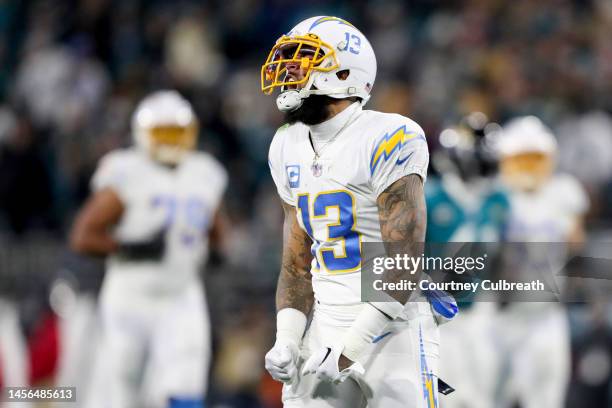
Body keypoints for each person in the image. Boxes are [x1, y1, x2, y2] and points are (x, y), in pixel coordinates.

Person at [261, 16, 443, 408]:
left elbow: (406, 261)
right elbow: (295, 262)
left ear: (344, 70)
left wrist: (350, 348)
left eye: (302, 59)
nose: (287, 70)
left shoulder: (389, 134)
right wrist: (289, 338)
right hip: (325, 321)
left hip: (392, 329)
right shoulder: (284, 143)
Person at [70, 90, 227, 408]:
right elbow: (82, 236)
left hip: (181, 291)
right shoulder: (126, 171)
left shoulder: (204, 172)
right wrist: (128, 247)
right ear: (143, 135)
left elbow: (215, 226)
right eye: (163, 133)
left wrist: (217, 248)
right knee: (121, 382)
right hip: (131, 293)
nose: (170, 142)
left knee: (186, 378)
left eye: (177, 133)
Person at [493, 115, 589, 408]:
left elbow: (577, 245)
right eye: (521, 160)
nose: (528, 167)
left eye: (535, 159)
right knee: (487, 396)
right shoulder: (494, 195)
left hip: (545, 313)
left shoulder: (563, 192)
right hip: (499, 312)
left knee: (546, 398)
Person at [426, 112, 510, 408]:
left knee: (482, 398)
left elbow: (504, 257)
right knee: (447, 398)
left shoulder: (498, 199)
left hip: (481, 313)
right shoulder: (431, 197)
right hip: (437, 318)